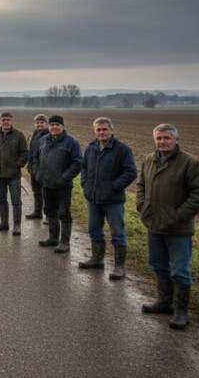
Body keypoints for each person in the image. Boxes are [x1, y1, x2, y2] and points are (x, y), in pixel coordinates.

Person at [138, 123, 199, 330]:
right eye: (159, 138)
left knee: (180, 271)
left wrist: (177, 216)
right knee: (158, 264)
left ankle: (181, 311)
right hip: (154, 224)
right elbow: (141, 185)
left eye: (166, 138)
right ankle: (164, 302)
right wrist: (142, 206)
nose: (162, 142)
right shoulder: (149, 160)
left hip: (178, 229)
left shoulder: (190, 163)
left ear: (176, 140)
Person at [78, 117, 137, 279]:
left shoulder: (122, 149)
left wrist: (114, 187)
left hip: (113, 201)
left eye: (104, 129)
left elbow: (130, 172)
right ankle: (97, 259)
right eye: (98, 129)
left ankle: (119, 267)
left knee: (117, 233)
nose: (101, 132)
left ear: (111, 130)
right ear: (95, 131)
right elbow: (84, 167)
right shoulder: (91, 148)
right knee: (94, 230)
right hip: (93, 199)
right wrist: (86, 184)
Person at [32, 115, 82, 253]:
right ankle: (53, 237)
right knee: (49, 211)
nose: (54, 127)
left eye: (57, 124)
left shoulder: (71, 142)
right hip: (46, 184)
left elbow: (77, 163)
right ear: (48, 126)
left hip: (63, 186)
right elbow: (35, 158)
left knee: (64, 214)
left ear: (62, 126)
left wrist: (65, 176)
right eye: (52, 124)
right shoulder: (42, 141)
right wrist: (38, 173)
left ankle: (65, 242)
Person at [0, 111, 28, 235]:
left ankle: (17, 225)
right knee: (1, 200)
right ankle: (4, 223)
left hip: (14, 175)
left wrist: (18, 165)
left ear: (11, 121)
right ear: (0, 121)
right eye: (3, 120)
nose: (6, 122)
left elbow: (24, 153)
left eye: (8, 120)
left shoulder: (19, 135)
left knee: (16, 201)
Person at [25, 114, 49, 221]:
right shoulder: (33, 134)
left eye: (42, 122)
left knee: (46, 193)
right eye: (37, 122)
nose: (39, 124)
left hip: (44, 170)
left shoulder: (49, 136)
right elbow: (31, 152)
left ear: (46, 124)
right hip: (33, 169)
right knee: (36, 191)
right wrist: (29, 166)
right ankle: (37, 211)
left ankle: (48, 215)